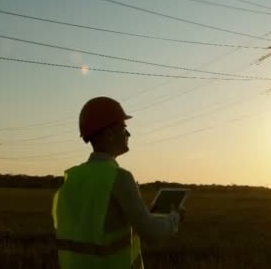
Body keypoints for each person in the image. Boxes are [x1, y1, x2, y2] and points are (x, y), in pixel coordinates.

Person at [52, 97, 183, 269]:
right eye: (124, 128)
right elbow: (151, 234)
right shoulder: (119, 177)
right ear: (109, 134)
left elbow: (97, 225)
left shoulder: (72, 177)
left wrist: (142, 214)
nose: (128, 134)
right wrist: (175, 218)